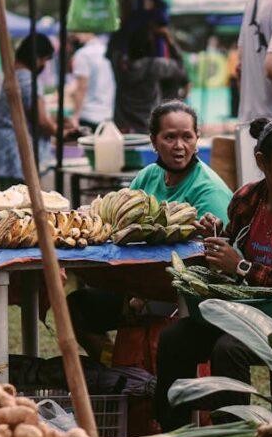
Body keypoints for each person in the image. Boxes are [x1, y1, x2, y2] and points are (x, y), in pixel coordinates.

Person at [154, 117, 272, 430]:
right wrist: (216, 235)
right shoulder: (248, 199)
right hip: (249, 309)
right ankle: (174, 433)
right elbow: (236, 242)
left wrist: (242, 267)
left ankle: (231, 434)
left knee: (229, 348)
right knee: (175, 337)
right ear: (262, 162)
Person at [67, 101, 232, 359]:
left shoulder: (209, 191)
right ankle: (116, 367)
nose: (179, 146)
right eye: (169, 137)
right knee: (75, 307)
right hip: (138, 284)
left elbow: (211, 266)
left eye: (187, 137)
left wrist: (142, 295)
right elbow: (117, 227)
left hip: (183, 296)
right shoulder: (147, 176)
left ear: (197, 139)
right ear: (154, 141)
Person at [0, 33, 71, 190]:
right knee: (21, 204)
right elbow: (41, 120)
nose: (43, 65)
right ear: (36, 57)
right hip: (17, 153)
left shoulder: (5, 74)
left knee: (8, 200)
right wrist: (61, 134)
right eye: (44, 59)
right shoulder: (27, 79)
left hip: (0, 150)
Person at [113, 26, 186, 134]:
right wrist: (168, 38)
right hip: (147, 127)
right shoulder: (154, 66)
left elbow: (113, 48)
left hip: (123, 128)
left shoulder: (119, 65)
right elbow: (180, 67)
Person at [70, 33, 115, 131]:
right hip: (108, 114)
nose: (74, 35)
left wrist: (75, 116)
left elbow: (81, 86)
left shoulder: (82, 54)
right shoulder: (107, 50)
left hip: (88, 115)